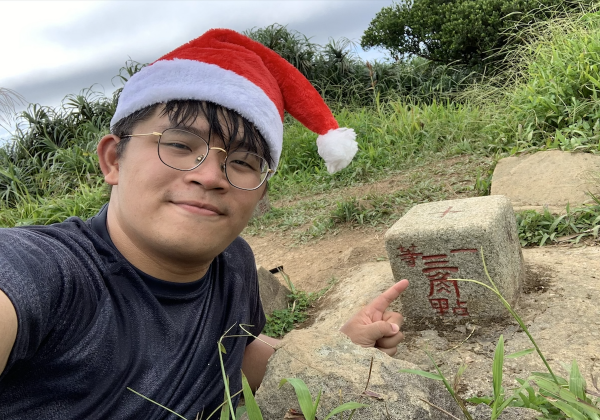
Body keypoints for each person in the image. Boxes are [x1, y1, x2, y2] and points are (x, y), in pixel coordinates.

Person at [0, 29, 409, 419]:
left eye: (244, 162)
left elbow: (234, 357)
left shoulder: (232, 263)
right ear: (113, 160)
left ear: (262, 191)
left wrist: (337, 349)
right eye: (179, 145)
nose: (210, 176)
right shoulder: (45, 272)